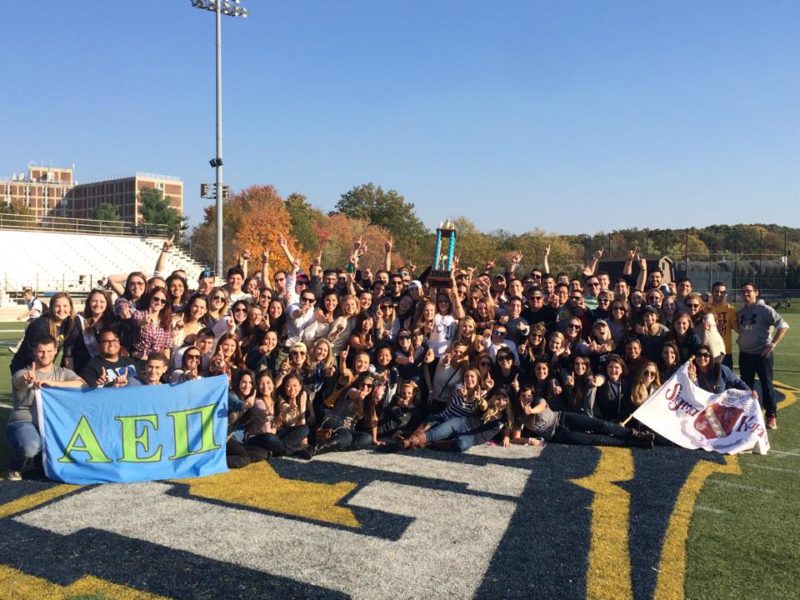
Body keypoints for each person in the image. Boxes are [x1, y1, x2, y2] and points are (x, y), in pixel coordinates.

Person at [6, 336, 85, 481]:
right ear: (34, 352)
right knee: (31, 447)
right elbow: (19, 381)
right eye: (41, 351)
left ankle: (38, 461)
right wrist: (27, 380)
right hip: (25, 421)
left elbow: (82, 385)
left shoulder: (62, 373)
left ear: (55, 351)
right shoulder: (24, 372)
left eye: (49, 351)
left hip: (52, 422)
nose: (45, 355)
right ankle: (16, 467)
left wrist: (53, 383)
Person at [736, 282, 789, 430]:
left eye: (749, 291)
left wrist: (772, 344)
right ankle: (746, 415)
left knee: (767, 385)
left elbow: (783, 326)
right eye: (743, 291)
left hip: (762, 355)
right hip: (745, 354)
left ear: (756, 292)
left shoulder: (765, 309)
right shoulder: (741, 312)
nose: (746, 294)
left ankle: (771, 416)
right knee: (746, 387)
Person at [9, 288, 43, 354]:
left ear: (30, 295)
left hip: (37, 320)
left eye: (26, 295)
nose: (24, 297)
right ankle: (18, 349)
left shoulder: (36, 301)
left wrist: (22, 316)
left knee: (37, 336)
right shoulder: (28, 301)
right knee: (25, 334)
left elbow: (33, 311)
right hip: (32, 319)